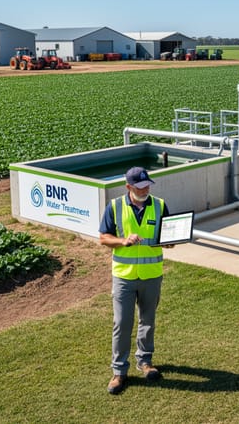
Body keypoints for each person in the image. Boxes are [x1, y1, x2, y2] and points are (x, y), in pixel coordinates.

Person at [99, 166, 173, 395]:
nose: (145, 189)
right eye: (140, 186)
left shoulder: (160, 205)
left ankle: (145, 361)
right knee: (122, 324)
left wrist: (171, 241)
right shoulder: (115, 206)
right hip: (124, 277)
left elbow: (169, 235)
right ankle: (119, 371)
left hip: (152, 276)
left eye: (148, 185)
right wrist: (122, 241)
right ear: (128, 187)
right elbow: (103, 238)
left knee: (148, 321)